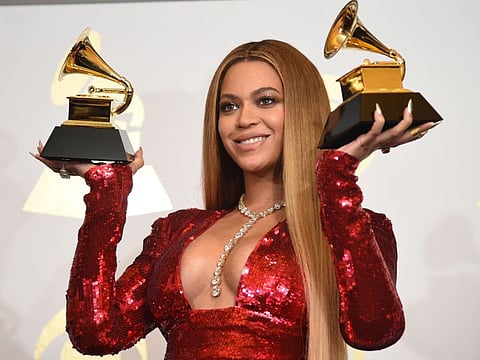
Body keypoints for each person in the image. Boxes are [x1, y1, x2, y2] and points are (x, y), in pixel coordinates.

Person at [32, 39, 437, 360]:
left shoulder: (350, 226)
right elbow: (96, 333)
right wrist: (106, 194)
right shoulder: (178, 230)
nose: (244, 119)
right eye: (229, 106)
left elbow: (374, 330)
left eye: (266, 100)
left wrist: (336, 177)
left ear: (302, 110)